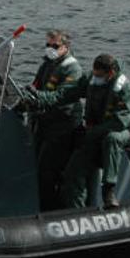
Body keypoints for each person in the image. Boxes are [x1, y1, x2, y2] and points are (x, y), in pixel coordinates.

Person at [25, 54, 130, 209]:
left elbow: (120, 122)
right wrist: (40, 98)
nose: (96, 78)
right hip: (95, 132)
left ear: (110, 73)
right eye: (95, 74)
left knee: (112, 138)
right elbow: (68, 94)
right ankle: (77, 212)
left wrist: (91, 133)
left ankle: (109, 190)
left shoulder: (125, 89)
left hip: (123, 131)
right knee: (72, 175)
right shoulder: (92, 80)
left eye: (100, 75)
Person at [29, 30, 83, 211]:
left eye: (55, 46)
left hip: (62, 126)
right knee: (36, 166)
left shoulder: (72, 69)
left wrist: (37, 98)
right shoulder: (47, 64)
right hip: (44, 123)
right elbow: (35, 85)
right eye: (48, 45)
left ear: (65, 47)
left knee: (47, 171)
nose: (50, 49)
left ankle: (51, 210)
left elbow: (60, 96)